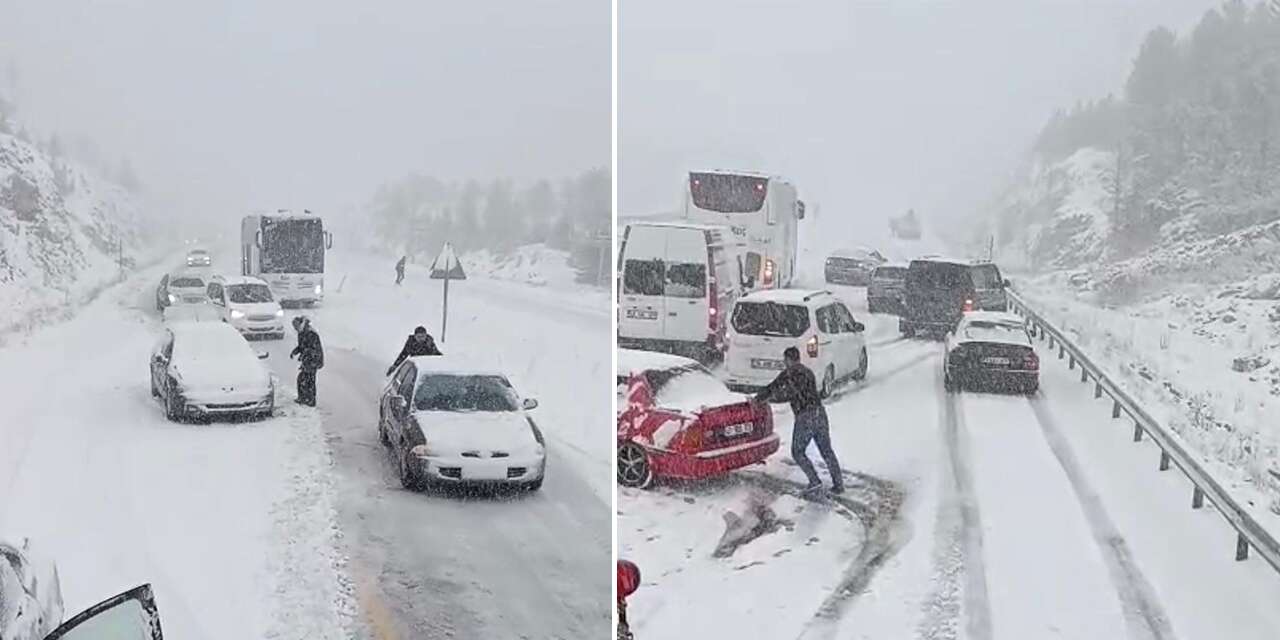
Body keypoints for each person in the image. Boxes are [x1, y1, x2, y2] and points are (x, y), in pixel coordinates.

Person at [752, 346, 843, 494]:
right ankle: (838, 484)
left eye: (785, 360)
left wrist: (764, 399)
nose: (784, 363)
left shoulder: (792, 374)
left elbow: (785, 393)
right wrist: (761, 397)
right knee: (826, 450)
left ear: (788, 360)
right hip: (820, 413)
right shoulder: (806, 372)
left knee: (797, 451)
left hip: (806, 416)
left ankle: (814, 481)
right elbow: (774, 386)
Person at [289, 316, 324, 406]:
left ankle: (310, 400)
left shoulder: (311, 333)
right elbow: (302, 346)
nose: (295, 329)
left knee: (309, 380)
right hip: (307, 359)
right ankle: (304, 398)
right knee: (303, 379)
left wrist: (305, 354)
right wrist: (295, 352)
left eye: (295, 326)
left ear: (300, 324)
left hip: (313, 360)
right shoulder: (301, 333)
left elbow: (314, 349)